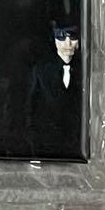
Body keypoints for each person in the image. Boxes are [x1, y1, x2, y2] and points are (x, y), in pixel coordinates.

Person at [26, 21, 83, 156]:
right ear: (55, 39)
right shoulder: (40, 70)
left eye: (73, 37)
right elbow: (30, 108)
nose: (68, 44)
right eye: (62, 37)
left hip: (77, 146)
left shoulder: (85, 70)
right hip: (46, 145)